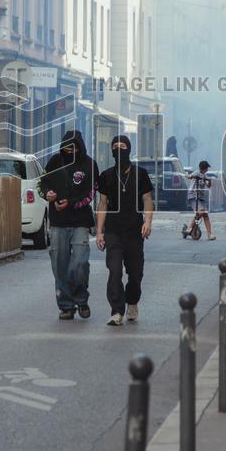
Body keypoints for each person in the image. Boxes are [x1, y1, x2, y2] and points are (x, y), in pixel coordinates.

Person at [37, 130, 96, 320]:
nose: (70, 151)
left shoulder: (89, 164)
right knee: (59, 265)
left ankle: (81, 298)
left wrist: (69, 203)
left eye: (74, 147)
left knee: (79, 263)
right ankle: (66, 306)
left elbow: (90, 194)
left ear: (80, 146)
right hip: (57, 223)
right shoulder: (54, 162)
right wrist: (47, 194)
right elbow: (41, 184)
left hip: (80, 222)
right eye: (67, 147)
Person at [96, 135, 153, 326]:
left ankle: (133, 301)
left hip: (135, 231)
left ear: (129, 149)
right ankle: (116, 311)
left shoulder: (141, 174)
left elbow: (147, 200)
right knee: (114, 270)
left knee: (135, 273)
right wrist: (99, 232)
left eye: (122, 146)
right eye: (115, 147)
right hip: (113, 231)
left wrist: (148, 221)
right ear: (111, 151)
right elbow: (102, 203)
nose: (119, 149)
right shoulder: (106, 176)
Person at [183, 160, 215, 240]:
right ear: (203, 168)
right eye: (207, 168)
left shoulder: (205, 176)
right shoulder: (196, 173)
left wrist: (209, 181)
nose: (207, 169)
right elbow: (188, 176)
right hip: (193, 195)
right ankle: (190, 227)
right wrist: (192, 177)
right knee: (201, 212)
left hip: (201, 197)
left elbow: (208, 185)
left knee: (205, 214)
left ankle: (209, 234)